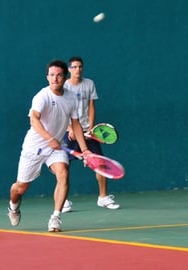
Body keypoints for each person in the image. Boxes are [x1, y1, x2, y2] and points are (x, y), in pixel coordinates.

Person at [7, 60, 91, 232]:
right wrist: (48, 138)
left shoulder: (70, 98)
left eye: (59, 75)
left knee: (63, 173)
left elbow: (75, 124)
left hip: (56, 147)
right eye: (52, 75)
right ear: (47, 77)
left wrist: (85, 150)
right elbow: (34, 119)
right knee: (20, 187)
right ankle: (13, 206)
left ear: (65, 77)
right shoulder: (42, 96)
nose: (55, 79)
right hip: (34, 147)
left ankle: (55, 217)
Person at [61, 56, 120, 213]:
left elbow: (91, 106)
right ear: (69, 69)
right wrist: (70, 128)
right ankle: (64, 200)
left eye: (80, 67)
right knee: (64, 166)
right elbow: (62, 109)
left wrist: (91, 127)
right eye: (74, 67)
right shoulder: (64, 86)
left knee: (100, 164)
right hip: (69, 132)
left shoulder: (89, 84)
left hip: (88, 131)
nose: (77, 70)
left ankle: (103, 197)